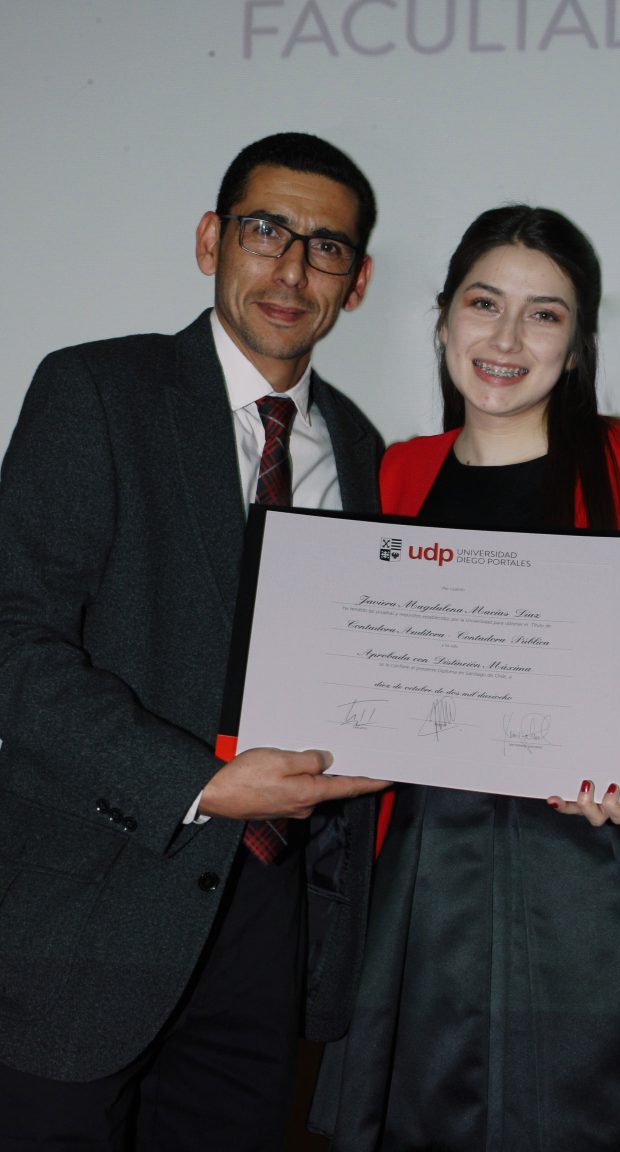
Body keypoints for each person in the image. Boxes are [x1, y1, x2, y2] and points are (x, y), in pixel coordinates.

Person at [310, 205, 620, 1151]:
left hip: (596, 859)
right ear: (443, 320)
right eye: (485, 304)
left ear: (577, 342)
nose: (508, 339)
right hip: (428, 865)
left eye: (544, 314)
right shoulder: (396, 472)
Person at [0, 131, 389, 1150]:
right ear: (212, 239)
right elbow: (12, 645)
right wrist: (200, 784)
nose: (292, 270)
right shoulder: (96, 391)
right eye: (266, 231)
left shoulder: (361, 448)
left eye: (326, 247)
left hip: (268, 921)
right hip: (84, 913)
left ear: (357, 283)